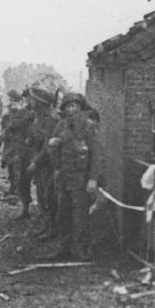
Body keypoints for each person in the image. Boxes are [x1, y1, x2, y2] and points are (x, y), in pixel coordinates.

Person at [47, 92, 103, 261]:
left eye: (74, 106)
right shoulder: (61, 126)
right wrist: (52, 145)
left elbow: (97, 154)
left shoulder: (88, 126)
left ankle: (82, 249)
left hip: (80, 177)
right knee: (62, 213)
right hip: (64, 176)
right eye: (68, 106)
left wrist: (93, 178)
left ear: (80, 108)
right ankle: (64, 248)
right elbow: (53, 150)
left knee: (80, 216)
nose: (71, 110)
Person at [21, 85, 59, 222]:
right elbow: (36, 135)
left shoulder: (50, 119)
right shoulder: (39, 117)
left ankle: (51, 225)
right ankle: (46, 223)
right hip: (39, 158)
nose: (29, 102)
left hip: (47, 162)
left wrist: (36, 162)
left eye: (32, 99)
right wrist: (30, 139)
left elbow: (48, 145)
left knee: (48, 194)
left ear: (39, 101)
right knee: (41, 192)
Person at [0, 88, 28, 196]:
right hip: (9, 141)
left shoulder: (19, 111)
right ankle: (13, 187)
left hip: (17, 141)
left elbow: (14, 125)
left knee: (16, 166)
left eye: (11, 98)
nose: (10, 101)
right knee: (10, 165)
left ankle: (17, 188)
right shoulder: (9, 110)